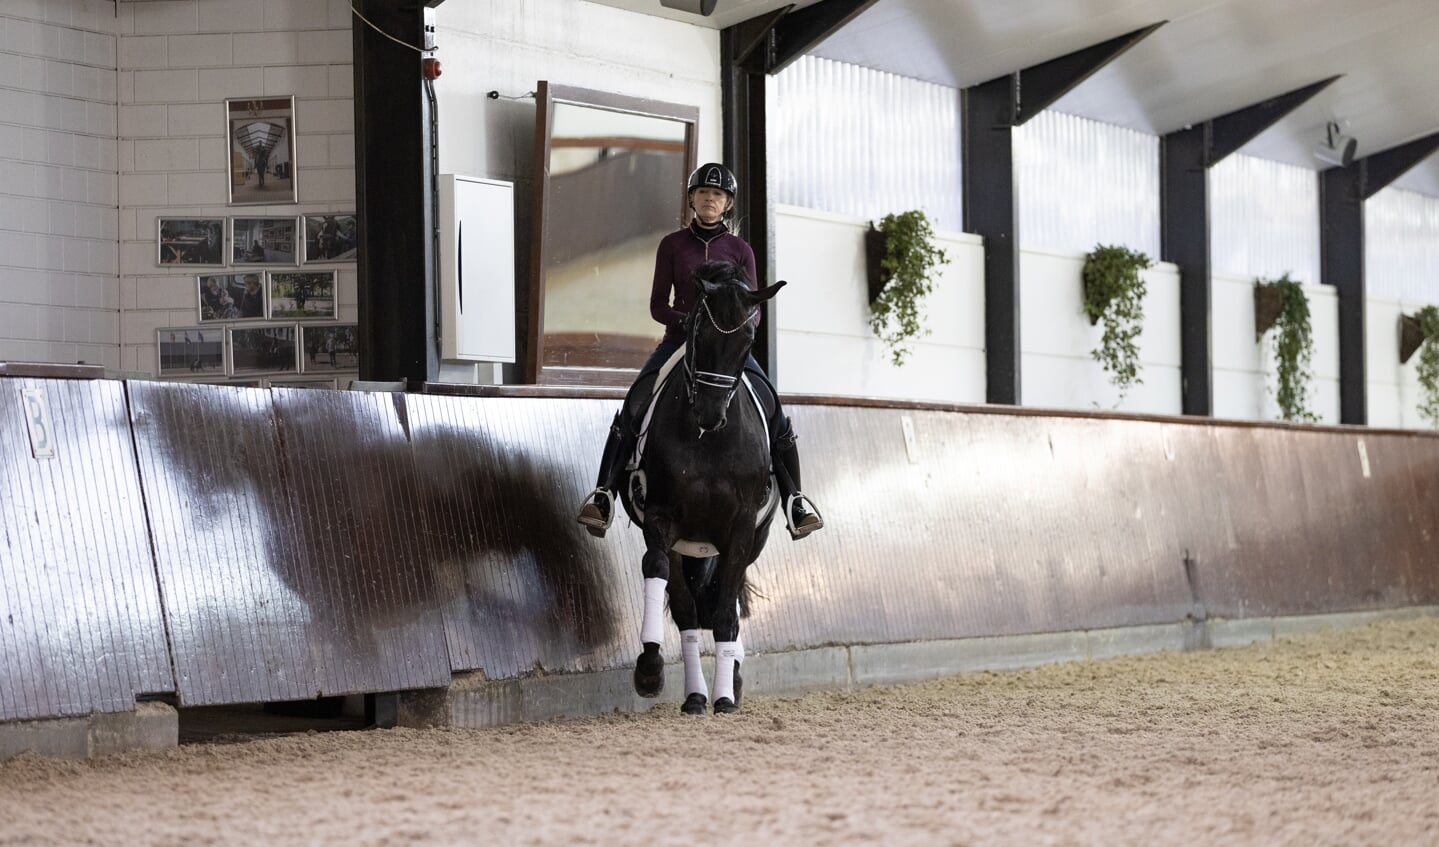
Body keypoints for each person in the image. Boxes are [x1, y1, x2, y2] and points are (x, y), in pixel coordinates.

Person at [576, 162, 824, 541]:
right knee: (636, 400)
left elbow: (753, 308)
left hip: (725, 348)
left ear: (727, 205)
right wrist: (688, 324)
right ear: (692, 199)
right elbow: (658, 305)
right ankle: (604, 494)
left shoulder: (740, 250)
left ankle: (795, 500)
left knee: (772, 406)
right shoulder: (672, 245)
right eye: (704, 192)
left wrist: (731, 331)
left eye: (719, 194)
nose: (711, 198)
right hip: (680, 342)